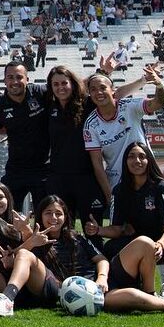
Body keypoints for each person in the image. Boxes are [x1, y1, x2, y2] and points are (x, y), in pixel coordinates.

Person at [87, 142, 164, 301]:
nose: (136, 161)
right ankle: (133, 287)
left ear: (149, 161)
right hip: (141, 240)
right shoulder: (119, 191)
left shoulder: (162, 187)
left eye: (142, 156)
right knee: (110, 248)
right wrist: (98, 230)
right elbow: (118, 229)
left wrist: (160, 244)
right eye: (131, 157)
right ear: (125, 162)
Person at [84, 64, 164, 204]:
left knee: (158, 222)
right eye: (93, 90)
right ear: (90, 94)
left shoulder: (130, 107)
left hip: (147, 175)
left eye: (103, 88)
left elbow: (158, 103)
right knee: (122, 226)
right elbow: (97, 164)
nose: (98, 92)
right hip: (118, 182)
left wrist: (158, 84)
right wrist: (109, 195)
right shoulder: (90, 124)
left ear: (112, 91)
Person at [44, 65, 107, 225]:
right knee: (62, 230)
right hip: (59, 178)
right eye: (55, 84)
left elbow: (114, 95)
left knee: (92, 228)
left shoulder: (87, 103)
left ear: (72, 83)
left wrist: (141, 81)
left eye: (64, 83)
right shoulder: (49, 107)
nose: (60, 88)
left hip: (87, 178)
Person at [0, 61, 49, 213]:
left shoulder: (40, 93)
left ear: (27, 79)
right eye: (10, 77)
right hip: (16, 168)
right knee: (8, 214)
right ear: (4, 80)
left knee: (45, 215)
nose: (15, 81)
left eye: (19, 77)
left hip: (44, 168)